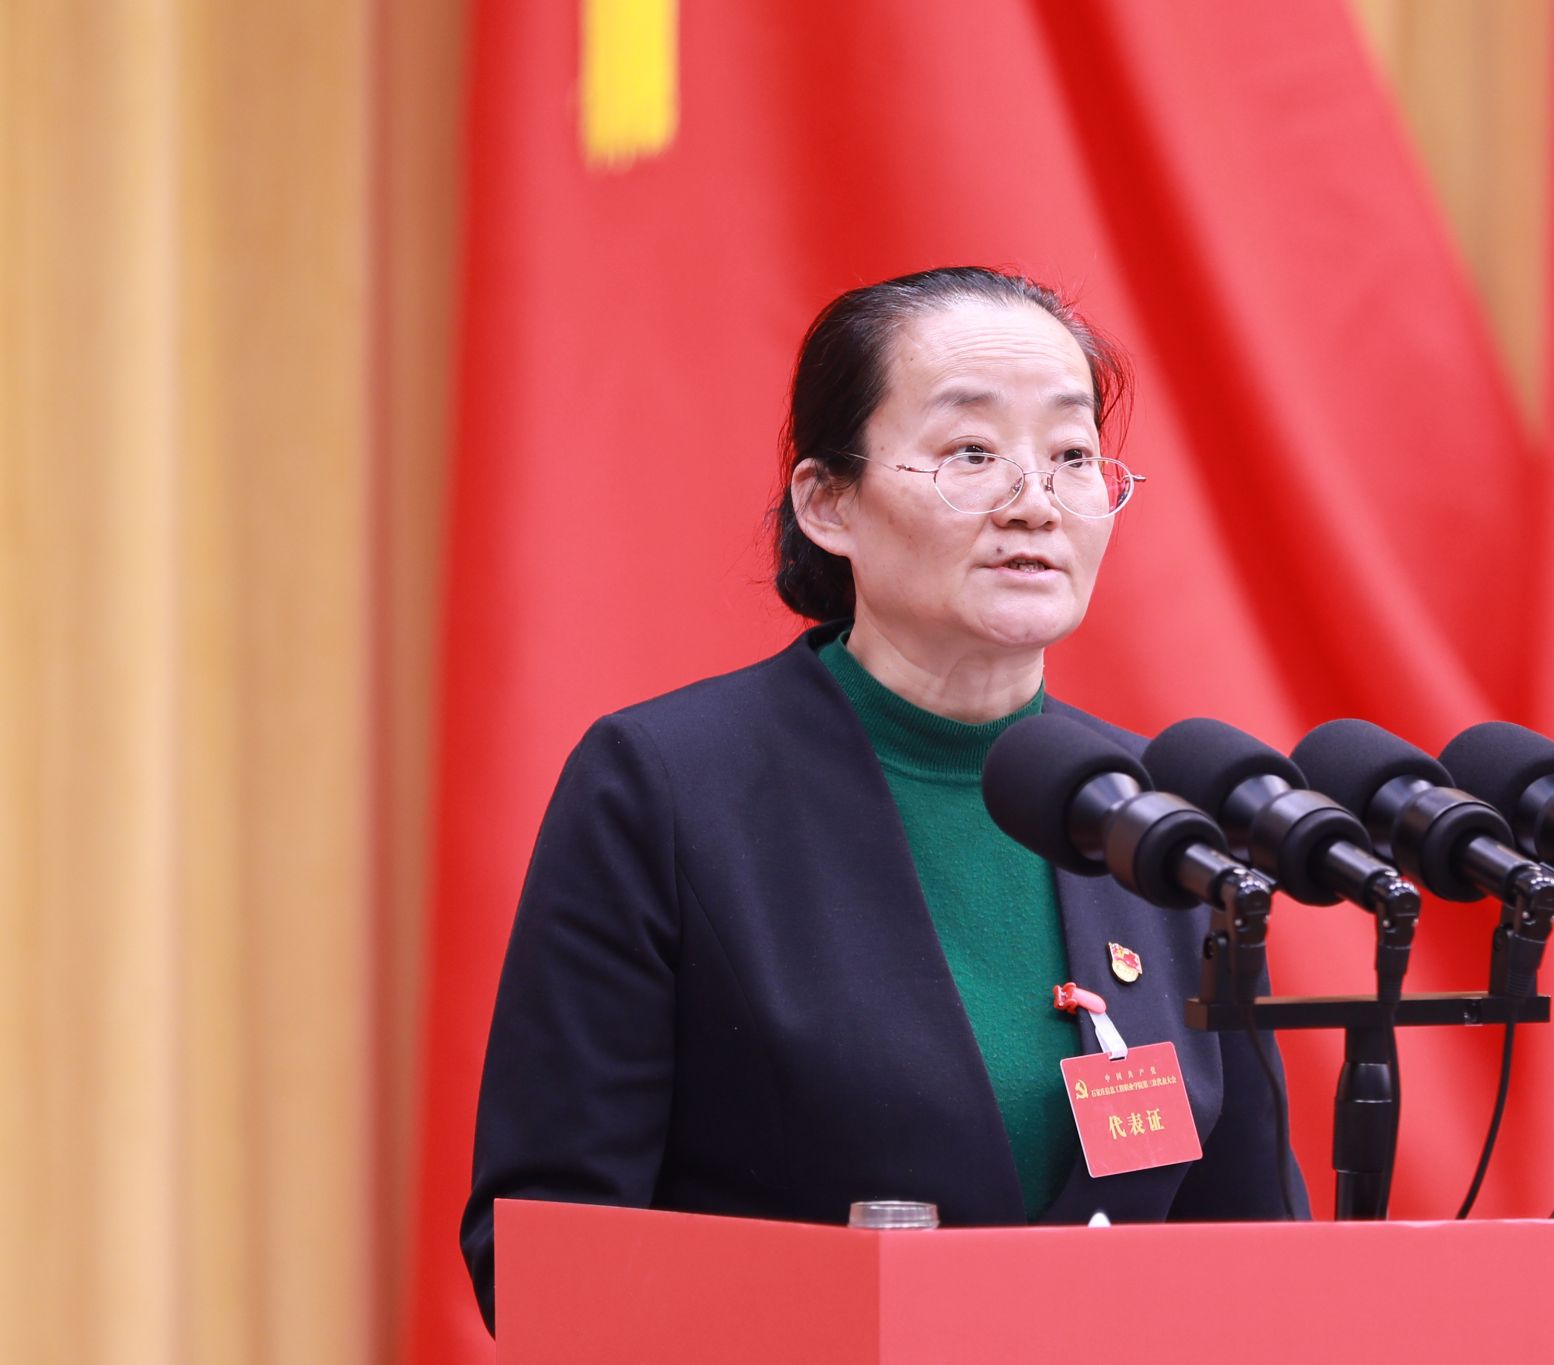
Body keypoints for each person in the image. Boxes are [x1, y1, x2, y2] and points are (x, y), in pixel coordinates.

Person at [460, 266, 1307, 1332]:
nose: (1034, 502)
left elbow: (1255, 1251)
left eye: (1071, 455)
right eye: (971, 454)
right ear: (827, 503)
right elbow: (549, 1256)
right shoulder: (664, 789)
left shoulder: (1166, 815)